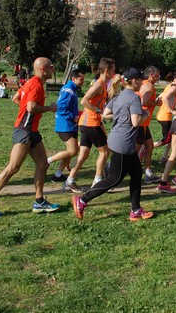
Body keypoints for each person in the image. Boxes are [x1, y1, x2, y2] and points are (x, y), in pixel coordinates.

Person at [0, 58, 60, 217]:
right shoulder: (36, 85)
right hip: (25, 131)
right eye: (51, 66)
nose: (54, 68)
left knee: (43, 164)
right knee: (13, 167)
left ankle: (39, 202)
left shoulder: (31, 82)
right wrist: (49, 108)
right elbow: (31, 107)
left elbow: (16, 98)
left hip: (32, 130)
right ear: (43, 69)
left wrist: (25, 110)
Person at [72, 68, 154, 222]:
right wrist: (146, 114)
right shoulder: (135, 98)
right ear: (133, 81)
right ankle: (82, 200)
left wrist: (122, 116)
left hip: (118, 140)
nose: (142, 82)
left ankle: (135, 210)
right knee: (114, 180)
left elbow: (106, 114)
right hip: (124, 144)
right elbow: (136, 122)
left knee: (136, 174)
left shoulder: (120, 95)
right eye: (140, 80)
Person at [64, 58, 115, 192]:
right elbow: (84, 101)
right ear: (106, 70)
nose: (114, 73)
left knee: (84, 154)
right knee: (104, 152)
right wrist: (99, 111)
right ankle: (98, 182)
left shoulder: (103, 84)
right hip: (91, 122)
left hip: (87, 123)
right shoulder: (98, 84)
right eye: (113, 70)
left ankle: (70, 180)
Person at [47, 69, 85, 182]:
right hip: (65, 125)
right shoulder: (69, 90)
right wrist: (72, 117)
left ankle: (58, 175)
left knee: (71, 151)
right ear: (73, 79)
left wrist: (77, 114)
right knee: (73, 151)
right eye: (81, 79)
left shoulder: (71, 89)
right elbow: (60, 107)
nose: (83, 82)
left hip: (69, 125)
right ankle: (47, 161)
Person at [136, 66, 163, 183]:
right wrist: (156, 103)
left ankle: (148, 173)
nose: (158, 78)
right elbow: (144, 101)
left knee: (149, 146)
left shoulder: (144, 83)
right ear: (151, 75)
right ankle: (113, 168)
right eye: (157, 76)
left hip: (144, 124)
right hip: (140, 123)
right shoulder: (149, 86)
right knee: (134, 151)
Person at [154, 71, 176, 165]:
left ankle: (164, 157)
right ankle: (147, 147)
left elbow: (161, 96)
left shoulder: (169, 86)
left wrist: (157, 100)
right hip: (165, 116)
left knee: (172, 137)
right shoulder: (173, 87)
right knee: (167, 139)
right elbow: (165, 97)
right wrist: (171, 110)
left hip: (162, 115)